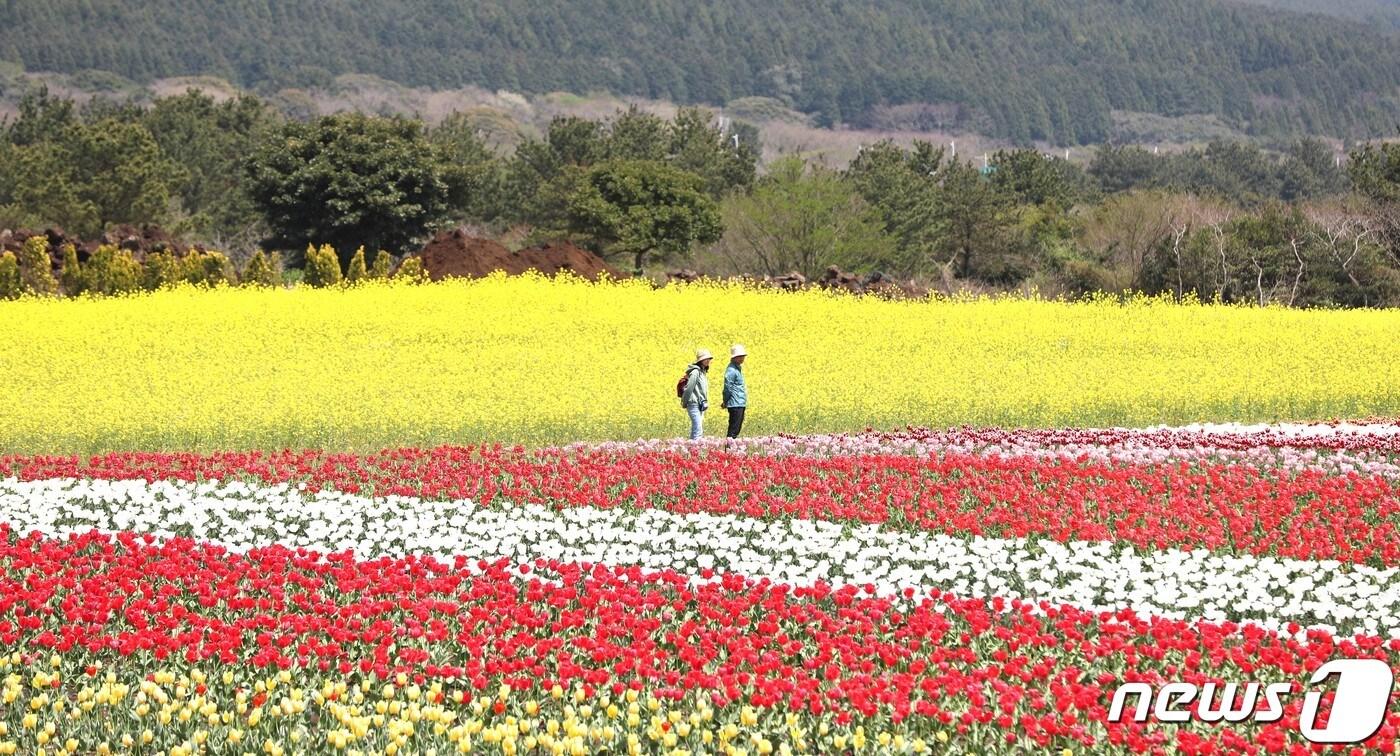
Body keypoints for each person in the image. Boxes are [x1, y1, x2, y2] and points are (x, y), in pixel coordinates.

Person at [680, 349, 712, 440]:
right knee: (698, 429)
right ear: (700, 360)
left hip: (700, 404)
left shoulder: (702, 372)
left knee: (698, 429)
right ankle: (695, 451)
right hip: (693, 403)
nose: (708, 360)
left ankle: (692, 449)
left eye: (709, 359)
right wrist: (684, 402)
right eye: (706, 359)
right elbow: (689, 388)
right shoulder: (695, 372)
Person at [722, 344, 747, 438]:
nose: (742, 359)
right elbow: (727, 388)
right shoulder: (731, 370)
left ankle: (730, 449)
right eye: (739, 357)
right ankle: (728, 450)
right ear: (734, 357)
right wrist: (725, 401)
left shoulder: (737, 368)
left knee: (736, 429)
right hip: (735, 403)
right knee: (733, 430)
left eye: (743, 356)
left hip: (739, 403)